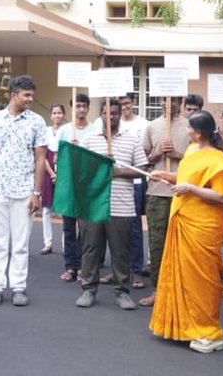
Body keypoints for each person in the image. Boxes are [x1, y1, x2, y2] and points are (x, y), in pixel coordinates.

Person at [148, 110, 223, 354]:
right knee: (183, 278)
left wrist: (189, 188)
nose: (186, 131)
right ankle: (183, 327)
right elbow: (185, 177)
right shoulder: (192, 151)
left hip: (204, 228)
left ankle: (210, 333)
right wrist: (167, 176)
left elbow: (220, 195)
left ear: (199, 133)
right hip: (184, 220)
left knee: (203, 281)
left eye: (189, 128)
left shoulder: (217, 160)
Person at [0, 74, 47, 307]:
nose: (30, 99)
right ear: (13, 94)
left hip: (24, 190)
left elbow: (40, 159)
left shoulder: (37, 121)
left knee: (21, 243)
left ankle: (18, 287)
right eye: (26, 95)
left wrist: (36, 193)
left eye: (31, 95)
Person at [75, 98, 149, 311]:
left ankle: (122, 292)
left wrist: (116, 171)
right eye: (107, 113)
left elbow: (141, 169)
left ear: (120, 115)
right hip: (93, 204)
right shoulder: (89, 140)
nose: (112, 117)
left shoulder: (131, 140)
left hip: (122, 204)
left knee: (121, 250)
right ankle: (88, 289)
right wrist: (100, 169)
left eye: (115, 113)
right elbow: (81, 171)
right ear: (101, 115)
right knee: (90, 248)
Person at [141, 94, 191, 308]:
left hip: (184, 192)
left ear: (181, 102)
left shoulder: (190, 126)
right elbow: (144, 160)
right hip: (158, 192)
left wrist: (179, 155)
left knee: (184, 245)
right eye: (162, 99)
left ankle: (182, 291)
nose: (167, 103)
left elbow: (199, 157)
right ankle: (158, 289)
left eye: (172, 100)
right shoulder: (152, 127)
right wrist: (157, 152)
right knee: (157, 243)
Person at [57, 93, 92, 282]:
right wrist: (69, 150)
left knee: (85, 228)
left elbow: (97, 157)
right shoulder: (64, 131)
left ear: (88, 108)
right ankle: (70, 266)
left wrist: (82, 151)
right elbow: (56, 158)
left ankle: (82, 265)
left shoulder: (94, 130)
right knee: (68, 228)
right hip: (68, 186)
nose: (81, 109)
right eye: (78, 106)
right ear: (72, 108)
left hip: (86, 186)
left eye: (84, 106)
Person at [119, 92, 150, 288]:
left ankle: (136, 270)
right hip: (114, 181)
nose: (124, 107)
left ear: (134, 103)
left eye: (127, 103)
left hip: (136, 182)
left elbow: (147, 152)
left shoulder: (144, 124)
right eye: (121, 104)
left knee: (135, 227)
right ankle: (119, 270)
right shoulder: (109, 122)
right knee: (115, 228)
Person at [39, 103, 66, 255]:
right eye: (54, 113)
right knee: (46, 208)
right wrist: (52, 174)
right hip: (48, 171)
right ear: (51, 115)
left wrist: (60, 175)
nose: (57, 115)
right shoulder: (46, 131)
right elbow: (43, 156)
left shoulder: (67, 130)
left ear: (63, 114)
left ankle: (65, 243)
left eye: (59, 113)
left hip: (64, 172)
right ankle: (47, 242)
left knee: (64, 209)